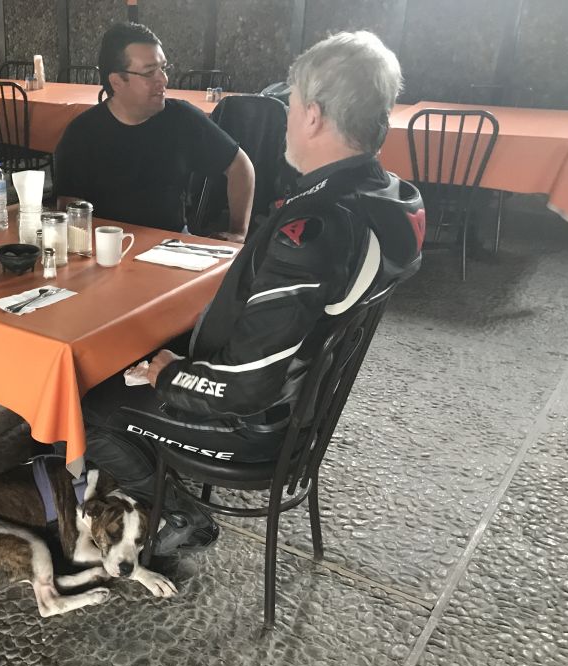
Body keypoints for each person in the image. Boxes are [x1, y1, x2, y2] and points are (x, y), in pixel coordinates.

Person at [82, 30, 426, 554]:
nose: (287, 118)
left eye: (291, 105)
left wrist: (170, 374)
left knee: (90, 406)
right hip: (303, 404)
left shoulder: (314, 230)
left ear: (313, 116)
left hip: (257, 426)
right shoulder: (387, 195)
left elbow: (246, 386)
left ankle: (179, 515)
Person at [54, 22, 255, 241]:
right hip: (108, 246)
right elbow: (69, 210)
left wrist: (238, 232)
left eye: (163, 69)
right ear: (117, 81)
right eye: (150, 72)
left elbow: (239, 165)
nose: (164, 80)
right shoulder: (82, 134)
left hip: (171, 244)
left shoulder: (181, 118)